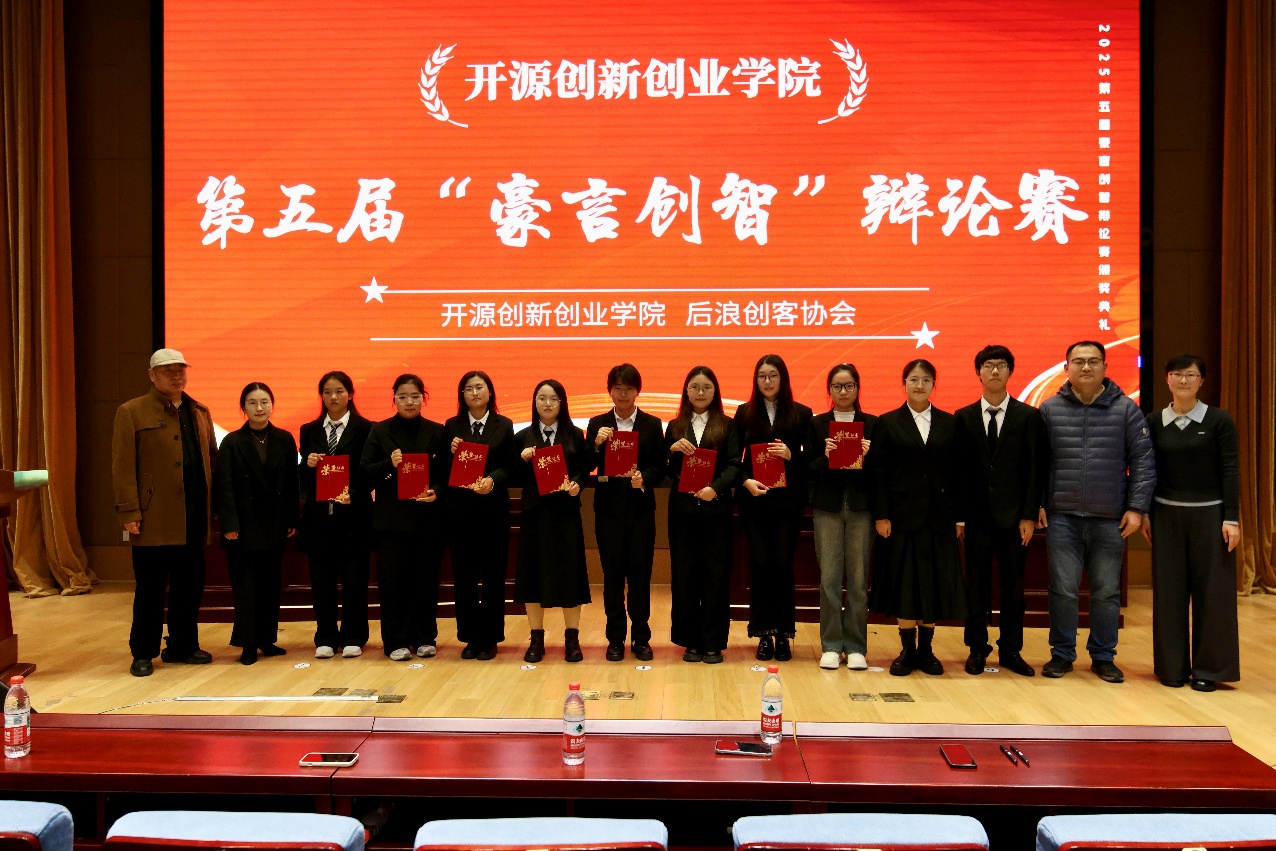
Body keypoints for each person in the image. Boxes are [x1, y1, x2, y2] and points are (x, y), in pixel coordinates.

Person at [1038, 341, 1155, 684]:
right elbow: (1037, 463)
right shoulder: (1049, 410)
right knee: (1063, 589)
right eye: (1078, 361)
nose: (1086, 367)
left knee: (1106, 591)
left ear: (1105, 367)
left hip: (1110, 517)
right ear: (1066, 369)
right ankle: (1062, 654)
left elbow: (1144, 461)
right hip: (1062, 516)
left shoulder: (1126, 410)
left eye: (1093, 361)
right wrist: (1038, 504)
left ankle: (1104, 657)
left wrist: (1136, 508)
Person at [111, 348, 217, 677]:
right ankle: (143, 652)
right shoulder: (131, 411)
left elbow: (212, 460)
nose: (176, 376)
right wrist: (129, 511)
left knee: (189, 586)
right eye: (167, 371)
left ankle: (183, 646)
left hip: (193, 515)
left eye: (180, 370)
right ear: (152, 375)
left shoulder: (199, 411)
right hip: (152, 517)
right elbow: (122, 467)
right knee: (150, 590)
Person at [1143, 354, 1240, 692]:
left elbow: (1230, 470)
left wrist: (1232, 518)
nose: (1183, 381)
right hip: (1165, 515)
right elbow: (1146, 471)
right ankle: (1171, 668)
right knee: (1168, 593)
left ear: (1201, 381)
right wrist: (1145, 512)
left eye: (1191, 375)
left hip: (1211, 516)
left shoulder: (1219, 420)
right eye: (1177, 374)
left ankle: (1208, 669)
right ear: (1167, 379)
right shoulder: (1153, 421)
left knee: (1212, 594)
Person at [954, 346, 1046, 677]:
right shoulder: (963, 417)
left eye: (1001, 365)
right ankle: (977, 649)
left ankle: (1011, 650)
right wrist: (960, 516)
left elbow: (1035, 469)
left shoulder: (1028, 416)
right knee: (976, 586)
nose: (995, 371)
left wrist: (1029, 514)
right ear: (978, 372)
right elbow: (958, 473)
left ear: (1010, 372)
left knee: (1014, 588)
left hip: (1015, 519)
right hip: (976, 518)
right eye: (988, 366)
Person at [870, 359, 966, 676]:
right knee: (906, 585)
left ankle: (926, 650)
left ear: (933, 385)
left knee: (933, 584)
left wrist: (960, 518)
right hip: (901, 519)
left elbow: (958, 475)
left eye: (926, 380)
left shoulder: (950, 423)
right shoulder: (887, 423)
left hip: (939, 519)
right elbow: (879, 474)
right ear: (904, 384)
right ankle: (907, 650)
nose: (919, 385)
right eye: (913, 379)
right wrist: (881, 515)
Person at [360, 374, 448, 661]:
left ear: (424, 398)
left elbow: (446, 474)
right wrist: (390, 464)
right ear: (394, 399)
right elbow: (365, 472)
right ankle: (395, 641)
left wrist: (436, 491)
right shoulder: (380, 430)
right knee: (392, 583)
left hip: (427, 519)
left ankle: (425, 637)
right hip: (391, 522)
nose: (409, 402)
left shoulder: (437, 431)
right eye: (403, 397)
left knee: (426, 581)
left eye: (415, 396)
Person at [213, 382, 300, 665]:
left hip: (274, 524)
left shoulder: (284, 439)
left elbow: (291, 483)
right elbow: (224, 486)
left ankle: (266, 639)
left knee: (270, 585)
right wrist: (229, 524)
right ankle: (248, 643)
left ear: (272, 405)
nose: (259, 408)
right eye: (252, 402)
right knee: (246, 588)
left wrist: (292, 519)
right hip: (242, 527)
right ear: (244, 408)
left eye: (264, 402)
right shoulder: (232, 442)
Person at [584, 364, 665, 662]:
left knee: (641, 576)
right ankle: (615, 639)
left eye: (628, 388)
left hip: (641, 512)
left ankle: (641, 638)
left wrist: (645, 477)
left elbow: (661, 466)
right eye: (617, 388)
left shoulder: (652, 424)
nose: (623, 394)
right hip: (608, 513)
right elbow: (586, 464)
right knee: (613, 577)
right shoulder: (598, 424)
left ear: (637, 391)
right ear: (610, 391)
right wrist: (596, 444)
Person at [734, 354, 812, 662]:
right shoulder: (744, 413)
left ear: (783, 379)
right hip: (755, 503)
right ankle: (763, 634)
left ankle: (784, 634)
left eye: (773, 376)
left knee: (782, 565)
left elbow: (814, 461)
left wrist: (792, 455)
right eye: (762, 376)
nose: (767, 382)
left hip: (787, 504)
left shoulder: (801, 414)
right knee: (761, 565)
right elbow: (734, 460)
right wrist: (746, 481)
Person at [665, 366, 740, 664]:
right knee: (685, 576)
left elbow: (734, 465)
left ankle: (713, 642)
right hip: (682, 513)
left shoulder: (727, 425)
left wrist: (715, 488)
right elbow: (667, 470)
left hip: (715, 511)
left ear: (715, 391)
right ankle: (691, 641)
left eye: (706, 387)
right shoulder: (675, 426)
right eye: (695, 387)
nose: (700, 392)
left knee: (715, 576)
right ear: (686, 391)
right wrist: (671, 450)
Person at [513, 380, 591, 663]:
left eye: (554, 399)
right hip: (535, 514)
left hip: (565, 514)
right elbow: (513, 475)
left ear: (562, 403)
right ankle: (536, 638)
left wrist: (577, 484)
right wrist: (522, 460)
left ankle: (572, 639)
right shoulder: (522, 437)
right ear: (534, 402)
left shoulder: (575, 434)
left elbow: (584, 469)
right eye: (542, 398)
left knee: (570, 575)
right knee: (533, 576)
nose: (547, 404)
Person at [298, 371, 373, 660]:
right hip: (320, 519)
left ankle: (354, 635)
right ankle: (326, 636)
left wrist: (354, 493)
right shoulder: (309, 430)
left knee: (354, 581)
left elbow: (369, 471)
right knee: (322, 582)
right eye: (328, 392)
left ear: (350, 394)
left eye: (339, 391)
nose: (333, 397)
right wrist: (307, 464)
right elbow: (303, 478)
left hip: (353, 518)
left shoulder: (366, 429)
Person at [806, 363, 876, 671]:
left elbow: (882, 472)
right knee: (830, 580)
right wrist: (826, 456)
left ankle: (857, 645)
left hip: (861, 509)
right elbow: (808, 467)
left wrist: (868, 456)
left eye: (849, 386)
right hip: (828, 509)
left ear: (858, 389)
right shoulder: (817, 424)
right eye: (837, 386)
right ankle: (832, 644)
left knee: (858, 581)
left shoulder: (872, 424)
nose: (843, 391)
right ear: (829, 391)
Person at [444, 371, 516, 660]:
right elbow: (444, 469)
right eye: (468, 389)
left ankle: (490, 638)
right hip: (460, 513)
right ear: (462, 396)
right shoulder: (452, 426)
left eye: (479, 387)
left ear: (490, 392)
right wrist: (450, 453)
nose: (474, 393)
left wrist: (492, 480)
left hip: (493, 510)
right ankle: (470, 637)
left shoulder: (504, 425)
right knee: (464, 577)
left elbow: (510, 465)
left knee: (493, 576)